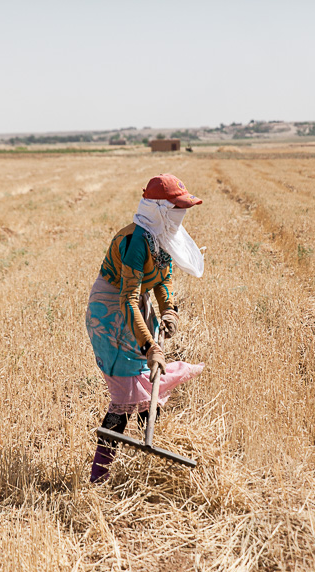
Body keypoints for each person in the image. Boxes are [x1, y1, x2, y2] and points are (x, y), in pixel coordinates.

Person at [85, 174, 205, 483]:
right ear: (160, 209)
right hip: (112, 313)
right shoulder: (137, 241)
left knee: (147, 385)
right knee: (127, 393)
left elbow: (163, 280)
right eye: (177, 207)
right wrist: (150, 346)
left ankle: (145, 466)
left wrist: (168, 312)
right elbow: (128, 297)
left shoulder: (162, 235)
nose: (181, 213)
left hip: (137, 308)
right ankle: (99, 478)